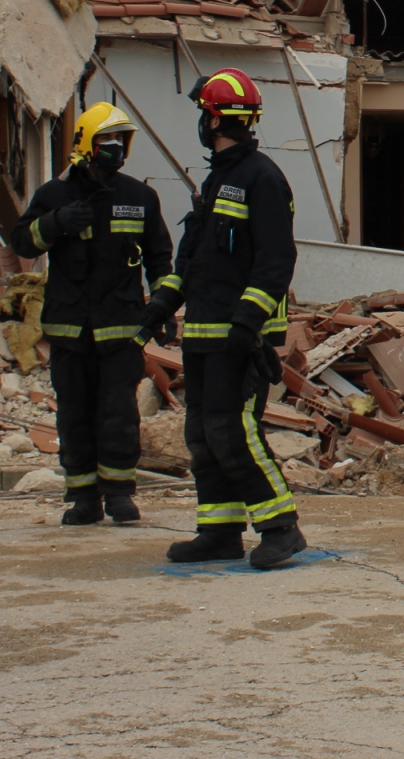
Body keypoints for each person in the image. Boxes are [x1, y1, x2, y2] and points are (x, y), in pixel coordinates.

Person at [137, 68, 304, 569]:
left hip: (238, 339)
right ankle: (219, 530)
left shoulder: (263, 178)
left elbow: (276, 261)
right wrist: (157, 310)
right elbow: (190, 262)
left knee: (235, 433)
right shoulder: (216, 181)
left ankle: (281, 528)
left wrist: (246, 324)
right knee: (203, 435)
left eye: (202, 114)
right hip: (204, 336)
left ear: (212, 119)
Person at [11, 102, 172, 525]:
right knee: (75, 414)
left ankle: (120, 494)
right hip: (69, 332)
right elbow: (22, 244)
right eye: (106, 140)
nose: (115, 148)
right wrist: (56, 223)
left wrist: (164, 306)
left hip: (121, 330)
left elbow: (160, 258)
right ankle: (82, 498)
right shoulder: (54, 195)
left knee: (119, 415)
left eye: (121, 140)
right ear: (85, 144)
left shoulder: (139, 196)